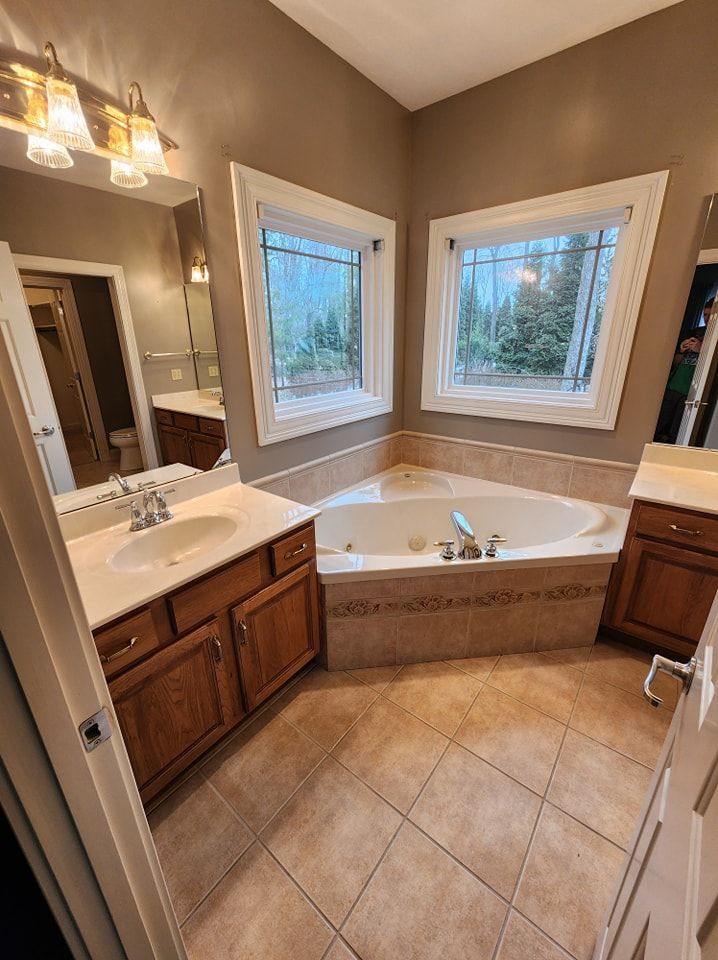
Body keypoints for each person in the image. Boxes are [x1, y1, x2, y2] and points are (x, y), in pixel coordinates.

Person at [654, 324, 706, 443]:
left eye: (709, 315)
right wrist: (681, 350)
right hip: (673, 385)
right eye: (705, 315)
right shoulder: (695, 333)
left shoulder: (712, 340)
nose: (707, 318)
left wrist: (701, 350)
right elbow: (676, 362)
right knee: (659, 424)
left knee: (677, 430)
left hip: (690, 392)